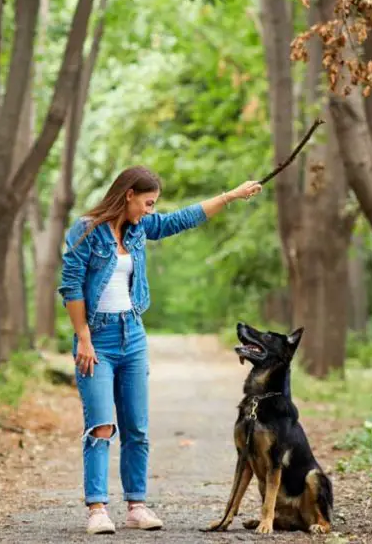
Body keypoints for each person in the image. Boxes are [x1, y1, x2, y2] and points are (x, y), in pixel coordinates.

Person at [57, 165, 262, 534]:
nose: (151, 211)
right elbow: (71, 285)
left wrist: (231, 195)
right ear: (128, 195)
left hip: (132, 336)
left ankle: (136, 506)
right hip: (96, 338)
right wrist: (83, 337)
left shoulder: (139, 230)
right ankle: (98, 509)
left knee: (137, 427)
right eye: (147, 203)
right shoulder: (86, 229)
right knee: (101, 425)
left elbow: (183, 219)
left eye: (154, 205)